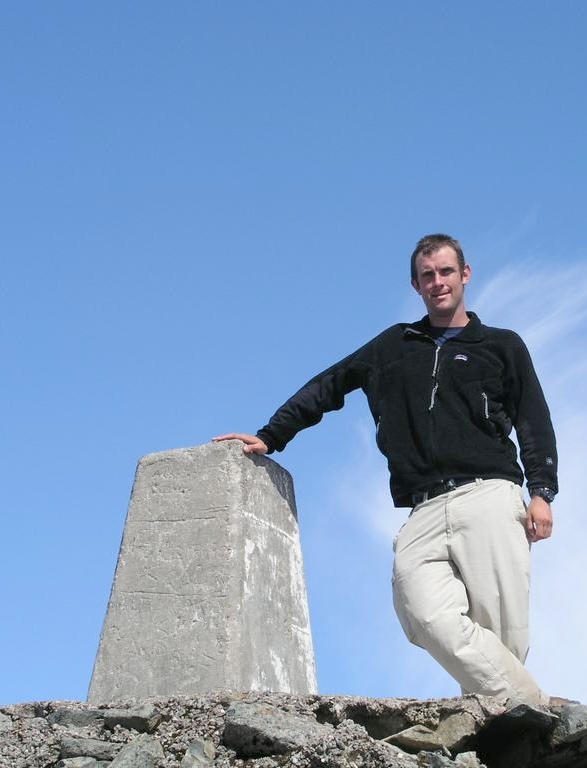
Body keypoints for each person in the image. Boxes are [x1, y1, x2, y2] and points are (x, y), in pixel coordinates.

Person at [214, 233, 558, 706]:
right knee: (423, 614)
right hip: (422, 507)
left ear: (465, 275)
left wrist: (542, 491)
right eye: (427, 275)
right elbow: (329, 385)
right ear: (416, 285)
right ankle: (534, 707)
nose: (437, 282)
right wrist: (272, 435)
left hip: (490, 496)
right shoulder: (393, 346)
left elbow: (532, 418)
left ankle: (508, 732)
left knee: (502, 631)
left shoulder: (501, 346)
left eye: (445, 272)